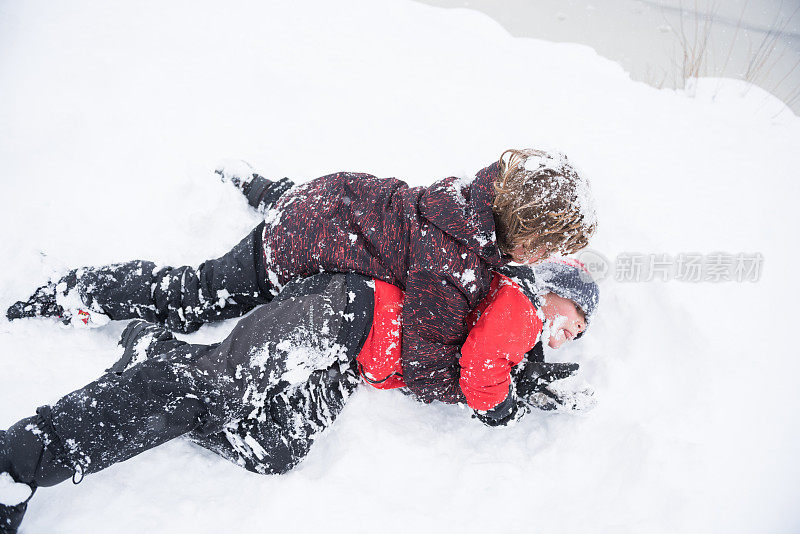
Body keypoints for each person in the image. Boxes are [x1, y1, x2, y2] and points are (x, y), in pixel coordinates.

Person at [0, 257, 599, 533]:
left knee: (273, 449)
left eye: (579, 333)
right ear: (554, 291)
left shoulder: (518, 336)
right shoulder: (518, 299)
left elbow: (488, 363)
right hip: (340, 313)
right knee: (211, 389)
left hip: (345, 360)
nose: (572, 332)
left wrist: (529, 379)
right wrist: (513, 399)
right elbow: (481, 378)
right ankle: (23, 458)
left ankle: (158, 354)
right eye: (574, 314)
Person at [7, 148, 598, 408]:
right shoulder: (452, 264)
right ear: (521, 232)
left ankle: (264, 188)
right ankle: (71, 290)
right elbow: (423, 366)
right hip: (295, 245)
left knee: (300, 206)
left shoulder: (468, 201)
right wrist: (502, 386)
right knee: (193, 293)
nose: (542, 257)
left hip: (333, 198)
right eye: (545, 246)